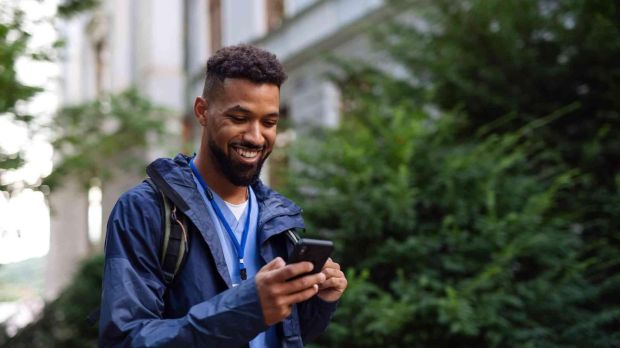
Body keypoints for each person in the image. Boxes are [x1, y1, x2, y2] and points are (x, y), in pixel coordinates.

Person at [98, 45, 348, 347]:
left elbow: (281, 334)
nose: (256, 137)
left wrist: (318, 301)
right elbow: (125, 340)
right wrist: (244, 310)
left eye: (269, 122)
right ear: (202, 111)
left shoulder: (279, 217)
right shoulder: (144, 210)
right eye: (239, 118)